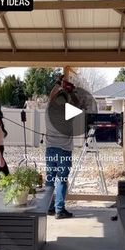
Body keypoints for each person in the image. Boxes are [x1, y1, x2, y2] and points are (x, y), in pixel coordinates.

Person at [45, 77, 79, 219]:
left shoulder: (49, 110)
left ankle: (49, 207)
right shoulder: (69, 112)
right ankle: (59, 210)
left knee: (50, 179)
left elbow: (51, 96)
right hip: (64, 150)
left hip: (50, 150)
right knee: (61, 180)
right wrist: (71, 91)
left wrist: (58, 84)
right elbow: (77, 103)